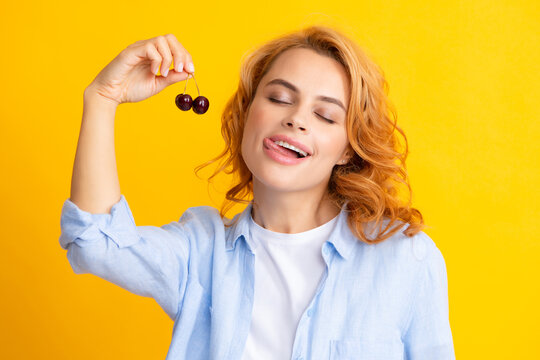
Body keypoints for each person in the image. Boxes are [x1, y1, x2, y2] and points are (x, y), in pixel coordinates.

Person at [59, 26, 455, 360]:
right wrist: (103, 98)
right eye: (279, 98)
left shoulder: (405, 259)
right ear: (247, 112)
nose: (296, 118)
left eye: (325, 115)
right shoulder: (201, 252)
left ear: (348, 148)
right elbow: (94, 242)